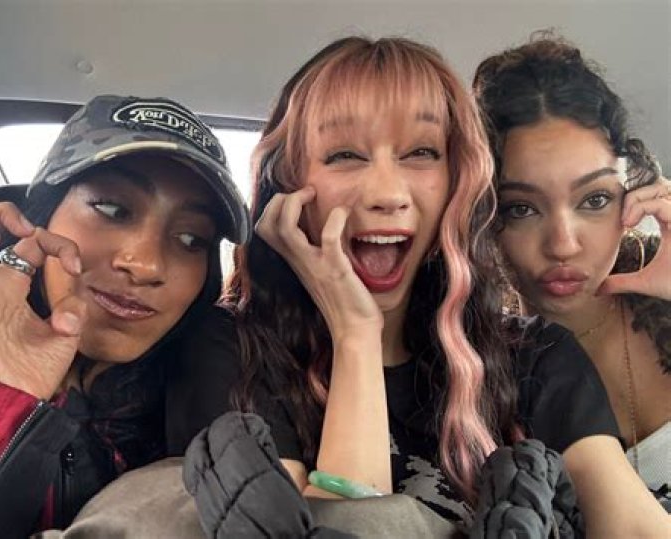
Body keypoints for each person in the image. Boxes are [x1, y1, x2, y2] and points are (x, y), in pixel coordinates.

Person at [167, 36, 621, 536]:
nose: (387, 194)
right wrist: (355, 334)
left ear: (457, 180)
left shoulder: (537, 358)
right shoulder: (231, 351)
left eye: (422, 152)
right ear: (289, 185)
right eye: (344, 155)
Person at [0, 94, 250, 538]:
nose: (146, 265)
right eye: (112, 209)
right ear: (39, 217)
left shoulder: (202, 411)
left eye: (192, 239)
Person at [473, 36, 671, 522]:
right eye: (522, 208)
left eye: (594, 200)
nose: (563, 244)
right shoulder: (472, 373)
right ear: (483, 217)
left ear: (631, 197)